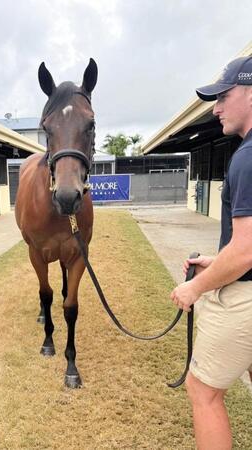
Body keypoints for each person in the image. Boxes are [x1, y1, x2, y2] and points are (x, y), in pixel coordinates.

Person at [170, 55, 252, 450]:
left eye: (224, 95)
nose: (216, 107)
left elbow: (246, 251)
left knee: (202, 391)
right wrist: (216, 260)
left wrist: (197, 286)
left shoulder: (247, 160)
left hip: (245, 298)